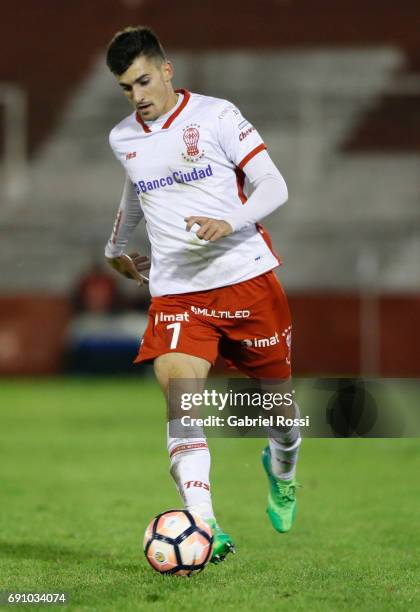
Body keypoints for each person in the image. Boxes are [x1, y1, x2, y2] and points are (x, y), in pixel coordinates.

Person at [104, 26, 301, 563]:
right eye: (126, 87)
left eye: (143, 80)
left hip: (246, 279)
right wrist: (114, 248)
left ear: (167, 70)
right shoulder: (124, 137)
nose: (138, 96)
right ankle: (206, 526)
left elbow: (273, 185)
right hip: (178, 294)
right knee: (181, 404)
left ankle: (283, 469)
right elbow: (137, 187)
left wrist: (229, 222)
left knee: (281, 416)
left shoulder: (215, 116)